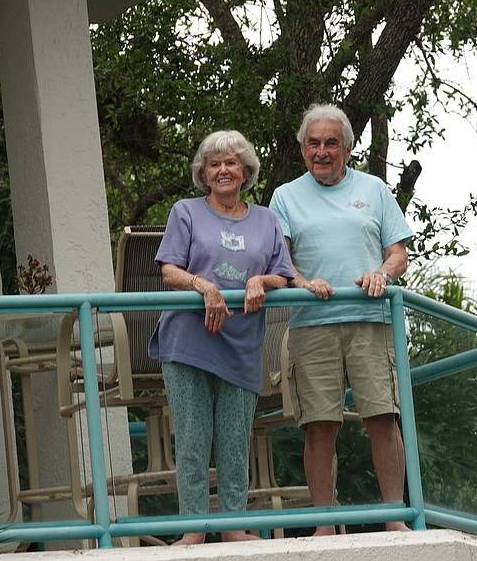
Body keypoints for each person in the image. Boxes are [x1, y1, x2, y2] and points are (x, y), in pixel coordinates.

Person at [269, 103, 413, 535]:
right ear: (302, 149)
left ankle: (395, 519)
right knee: (319, 426)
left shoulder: (375, 190)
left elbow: (398, 253)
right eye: (313, 143)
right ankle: (324, 525)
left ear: (348, 148)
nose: (322, 151)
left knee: (383, 419)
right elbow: (280, 261)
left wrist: (381, 274)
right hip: (311, 324)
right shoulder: (285, 196)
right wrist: (302, 282)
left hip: (371, 320)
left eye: (331, 143)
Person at [148, 130, 293, 545]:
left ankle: (232, 528)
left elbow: (282, 274)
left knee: (234, 442)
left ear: (246, 171)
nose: (223, 170)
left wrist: (259, 280)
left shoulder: (266, 220)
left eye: (231, 163)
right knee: (193, 440)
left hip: (242, 343)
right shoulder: (186, 212)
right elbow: (169, 271)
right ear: (204, 173)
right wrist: (204, 286)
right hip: (188, 341)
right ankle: (193, 530)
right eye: (214, 164)